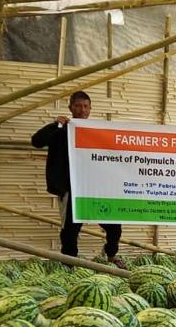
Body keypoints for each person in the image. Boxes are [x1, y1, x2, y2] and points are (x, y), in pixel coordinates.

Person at [30, 91, 124, 265]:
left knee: (114, 226)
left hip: (96, 188)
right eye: (78, 106)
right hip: (71, 188)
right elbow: (36, 141)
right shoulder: (61, 130)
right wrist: (55, 125)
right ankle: (69, 264)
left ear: (90, 109)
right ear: (70, 108)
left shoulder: (97, 132)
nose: (82, 110)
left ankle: (111, 255)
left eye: (86, 106)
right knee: (70, 232)